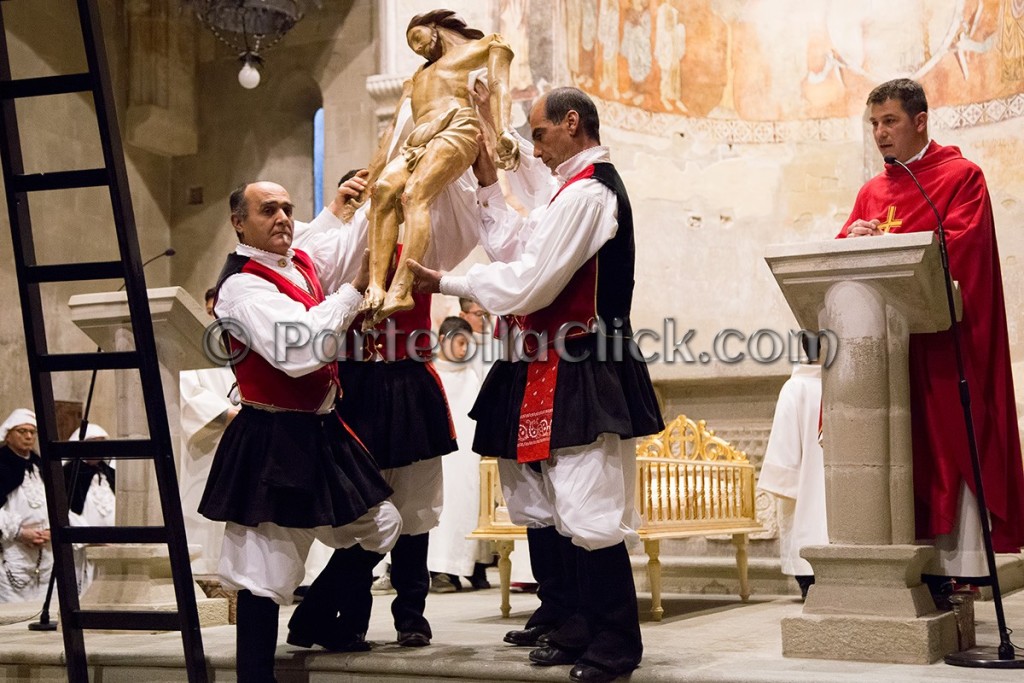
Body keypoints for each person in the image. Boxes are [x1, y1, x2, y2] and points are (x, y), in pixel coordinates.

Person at [409, 87, 664, 683]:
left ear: (572, 124)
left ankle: (617, 645)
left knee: (589, 506)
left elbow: (534, 283)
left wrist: (446, 283)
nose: (536, 149)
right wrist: (488, 178)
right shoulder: (568, 192)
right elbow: (519, 246)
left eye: (541, 135)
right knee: (554, 504)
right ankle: (578, 626)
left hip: (585, 361)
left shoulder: (593, 192)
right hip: (551, 359)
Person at [199, 179, 402, 682]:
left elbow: (329, 242)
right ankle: (254, 676)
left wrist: (367, 200)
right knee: (263, 573)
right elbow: (299, 351)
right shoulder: (241, 285)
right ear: (239, 223)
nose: (284, 218)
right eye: (269, 210)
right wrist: (354, 291)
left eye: (289, 209)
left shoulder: (296, 262)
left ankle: (313, 617)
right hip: (271, 436)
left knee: (382, 523)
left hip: (320, 429)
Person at [838, 78, 1024, 588]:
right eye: (873, 123)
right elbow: (838, 274)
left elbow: (964, 249)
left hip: (943, 348)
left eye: (889, 121)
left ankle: (956, 572)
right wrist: (852, 240)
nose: (879, 133)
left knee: (946, 448)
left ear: (920, 121)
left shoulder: (962, 177)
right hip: (887, 357)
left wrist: (897, 244)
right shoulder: (870, 191)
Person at [360, 9, 520, 326]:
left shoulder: (476, 49)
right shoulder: (416, 77)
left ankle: (402, 287)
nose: (417, 49)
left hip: (458, 127)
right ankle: (376, 285)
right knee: (382, 193)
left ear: (433, 28)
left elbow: (499, 82)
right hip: (419, 141)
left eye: (417, 38)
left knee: (413, 195)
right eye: (411, 47)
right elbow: (392, 128)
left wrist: (503, 131)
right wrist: (371, 176)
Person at [756, 338, 826, 601]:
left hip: (806, 494)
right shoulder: (848, 386)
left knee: (808, 523)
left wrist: (786, 483)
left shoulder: (796, 387)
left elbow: (784, 453)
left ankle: (808, 582)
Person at [426, 316, 491, 592]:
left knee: (468, 502)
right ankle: (442, 570)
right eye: (460, 342)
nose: (464, 350)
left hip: (466, 456)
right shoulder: (430, 373)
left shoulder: (472, 376)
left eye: (468, 344)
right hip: (440, 456)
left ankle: (471, 565)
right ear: (443, 340)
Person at [0, 409, 52, 603]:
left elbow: (55, 502)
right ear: (8, 434)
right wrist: (19, 532)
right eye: (22, 431)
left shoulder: (40, 465)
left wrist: (52, 529)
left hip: (45, 550)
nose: (29, 436)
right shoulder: (2, 464)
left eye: (32, 432)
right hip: (13, 550)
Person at [64, 423, 116, 595]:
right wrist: (90, 536)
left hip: (112, 546)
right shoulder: (69, 473)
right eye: (94, 442)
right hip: (82, 548)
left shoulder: (109, 473)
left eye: (102, 442)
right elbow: (65, 511)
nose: (99, 447)